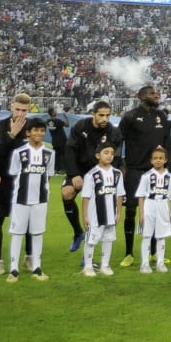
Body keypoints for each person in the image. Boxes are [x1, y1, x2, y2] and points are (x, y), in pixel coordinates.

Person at [118, 83, 171, 267]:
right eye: (152, 93)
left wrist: (168, 169)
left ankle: (153, 252)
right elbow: (118, 142)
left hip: (156, 173)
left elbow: (167, 144)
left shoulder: (161, 118)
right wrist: (121, 166)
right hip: (135, 170)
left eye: (157, 93)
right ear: (141, 96)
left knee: (155, 212)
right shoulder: (130, 117)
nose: (156, 95)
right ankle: (129, 253)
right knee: (132, 210)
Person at [62, 100, 123, 255]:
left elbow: (115, 158)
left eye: (108, 116)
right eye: (101, 115)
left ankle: (89, 255)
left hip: (100, 172)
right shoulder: (80, 126)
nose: (105, 119)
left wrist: (107, 177)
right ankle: (77, 232)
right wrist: (74, 174)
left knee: (96, 207)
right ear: (93, 114)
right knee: (67, 193)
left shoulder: (114, 132)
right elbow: (69, 150)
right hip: (80, 169)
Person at [0, 92, 34, 275]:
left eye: (24, 110)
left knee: (30, 222)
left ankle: (29, 258)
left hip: (24, 182)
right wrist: (12, 134)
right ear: (11, 107)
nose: (20, 114)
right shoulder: (0, 126)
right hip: (3, 180)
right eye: (17, 109)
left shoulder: (32, 127)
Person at [5, 117, 55, 282]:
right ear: (28, 133)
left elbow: (49, 175)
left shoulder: (49, 153)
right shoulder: (19, 152)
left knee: (37, 233)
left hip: (40, 200)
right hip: (21, 199)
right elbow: (14, 174)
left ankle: (37, 267)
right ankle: (13, 269)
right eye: (35, 130)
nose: (39, 133)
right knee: (17, 233)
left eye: (42, 131)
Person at [80, 143, 124, 278]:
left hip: (111, 214)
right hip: (95, 215)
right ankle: (87, 266)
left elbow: (119, 195)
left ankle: (105, 265)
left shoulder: (117, 173)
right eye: (106, 152)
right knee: (91, 240)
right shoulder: (92, 175)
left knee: (108, 239)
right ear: (98, 155)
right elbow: (86, 197)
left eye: (112, 153)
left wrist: (118, 213)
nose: (110, 155)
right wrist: (85, 216)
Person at [134, 146, 171, 273]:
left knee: (161, 236)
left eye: (161, 158)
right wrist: (141, 213)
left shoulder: (170, 177)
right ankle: (144, 264)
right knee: (147, 235)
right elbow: (141, 196)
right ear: (151, 161)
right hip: (149, 205)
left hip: (163, 206)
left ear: (165, 160)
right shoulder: (146, 176)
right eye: (155, 158)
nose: (158, 160)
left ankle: (160, 263)